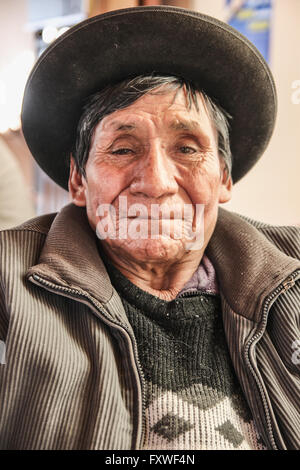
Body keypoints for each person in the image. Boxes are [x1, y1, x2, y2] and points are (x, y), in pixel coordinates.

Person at [0, 6, 299, 450]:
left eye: (187, 147)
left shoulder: (292, 276)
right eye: (122, 149)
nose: (156, 183)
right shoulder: (9, 283)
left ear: (224, 178)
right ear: (79, 180)